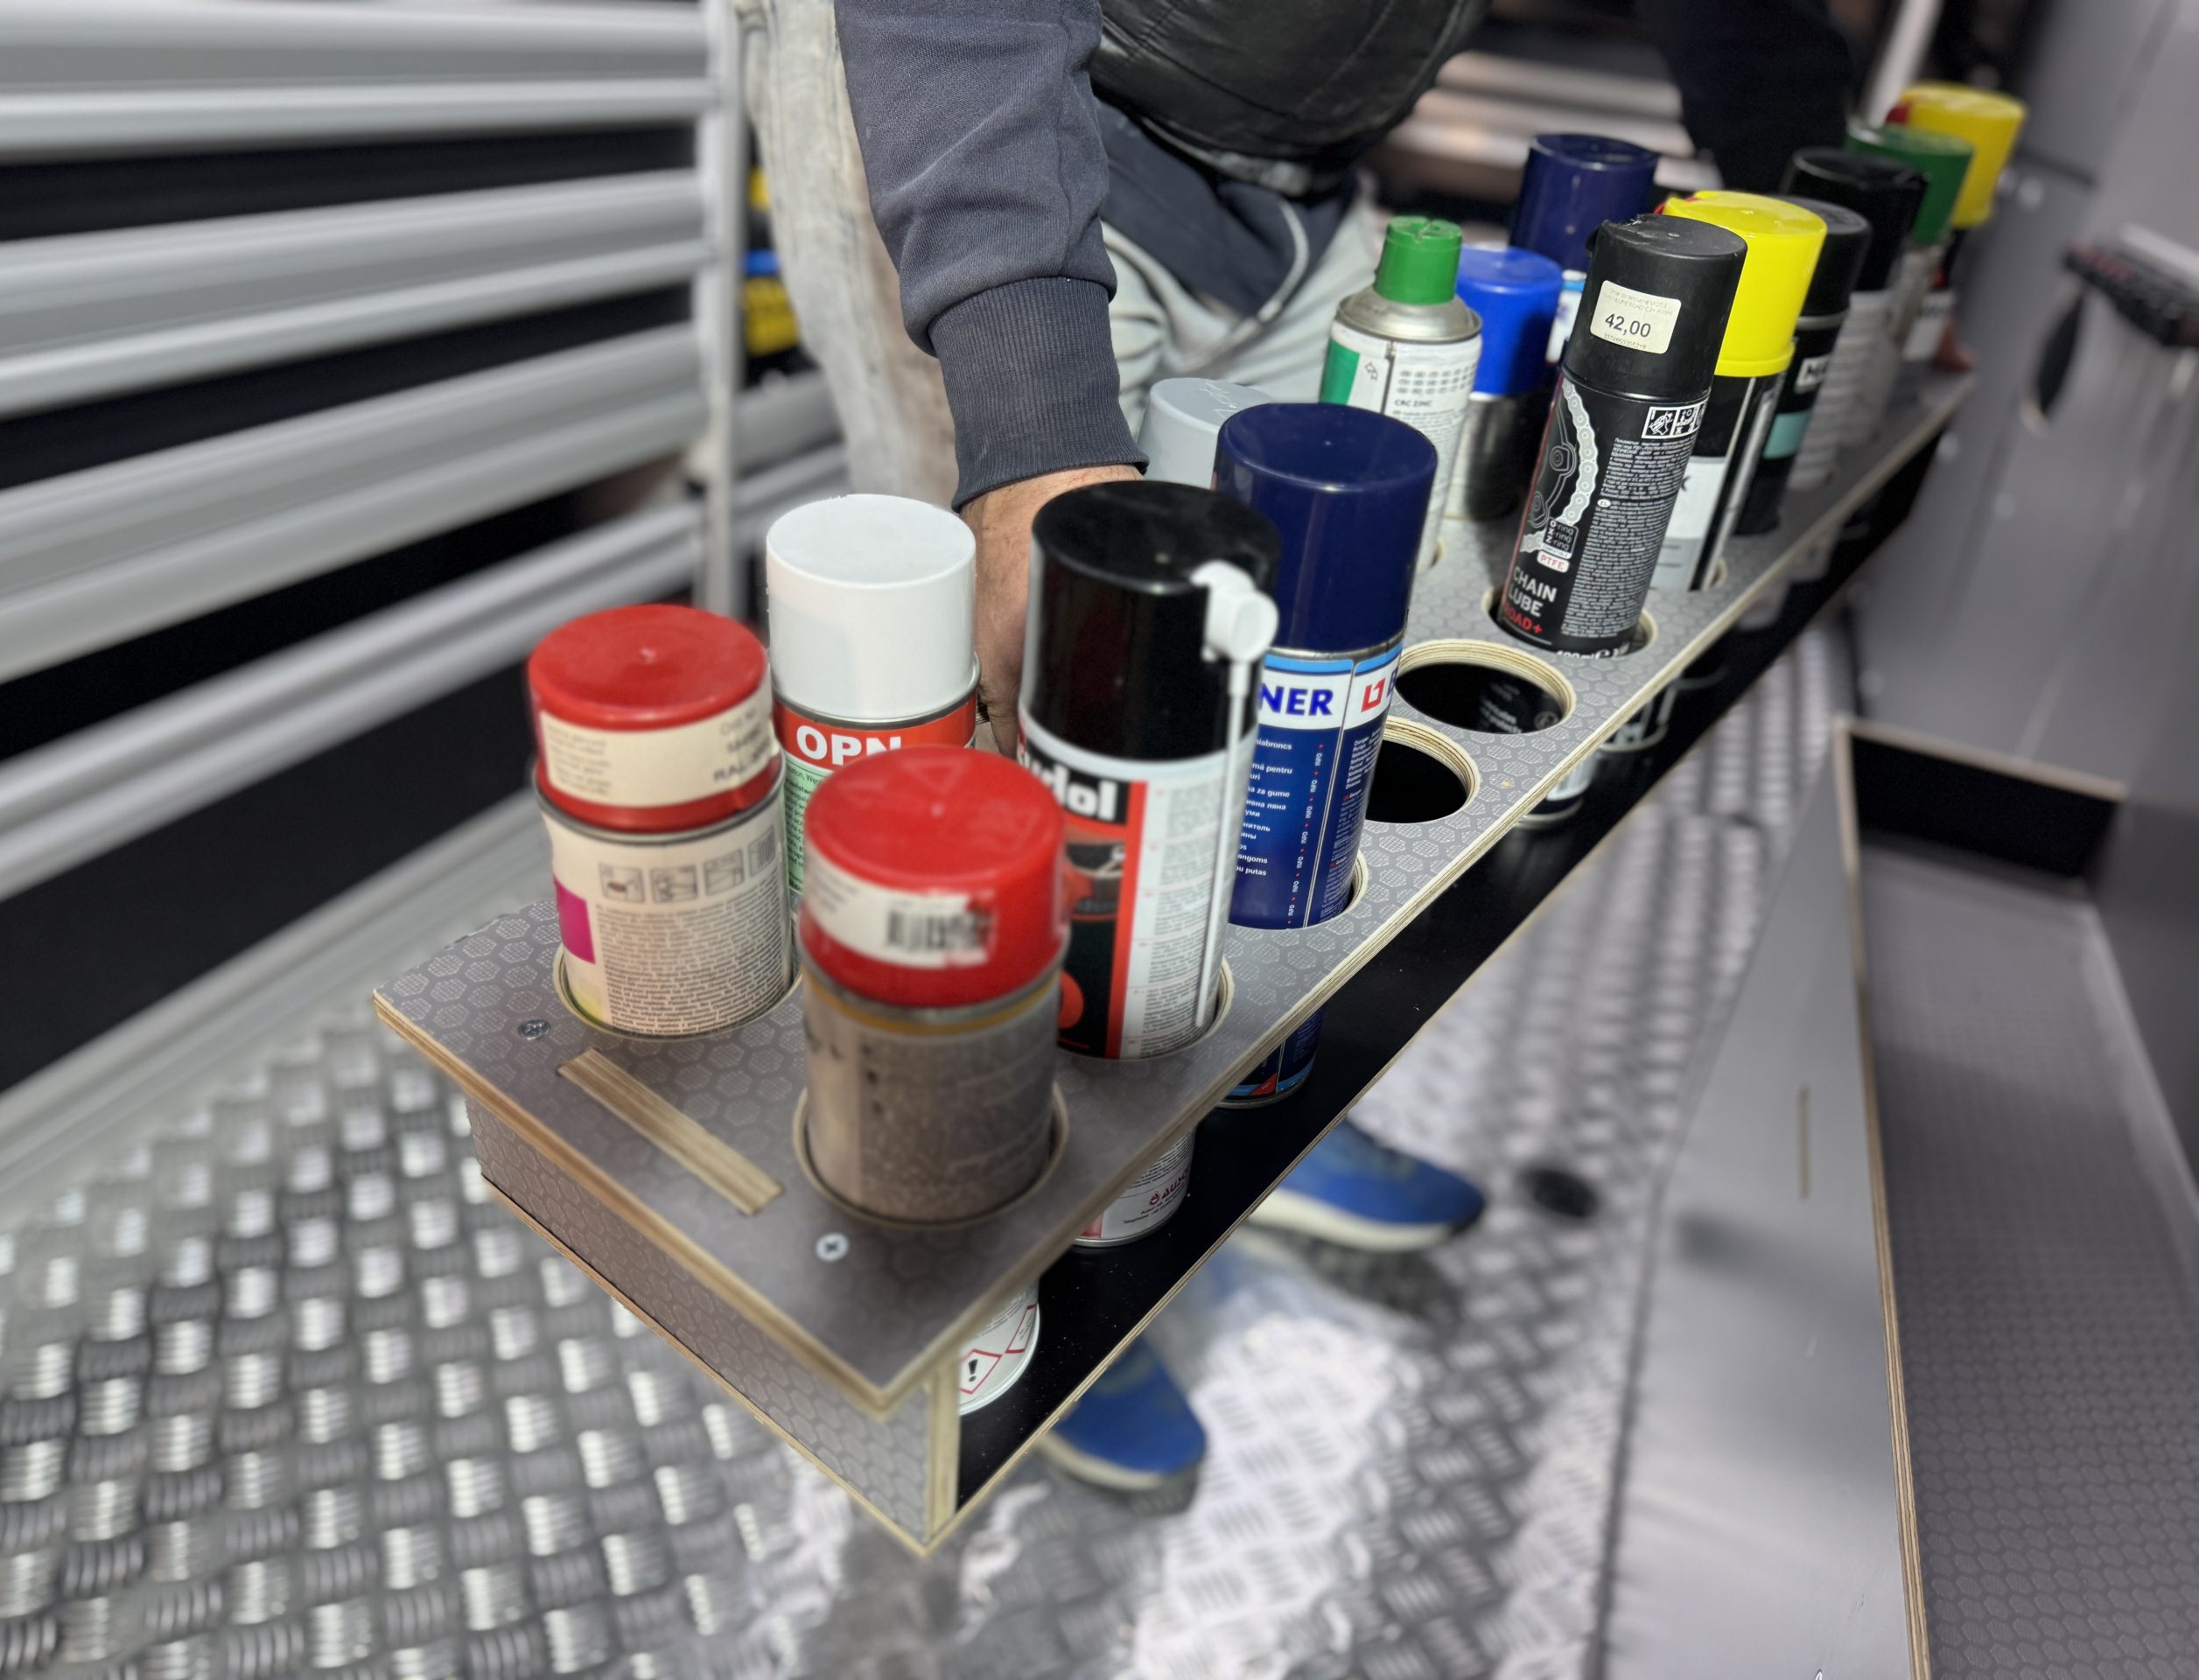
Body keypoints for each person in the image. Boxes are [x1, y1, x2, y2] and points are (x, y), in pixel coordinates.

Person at [760, 0, 1854, 1489]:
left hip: (1296, 179)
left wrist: (1823, 207)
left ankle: (1213, 1096)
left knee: (1265, 713)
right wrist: (1031, 422)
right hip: (987, 106)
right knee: (1019, 739)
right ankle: (1013, 1264)